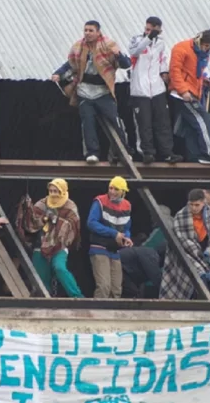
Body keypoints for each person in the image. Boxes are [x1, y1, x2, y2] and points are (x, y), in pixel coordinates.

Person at [52, 21, 131, 164]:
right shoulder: (79, 47)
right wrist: (58, 73)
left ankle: (122, 152)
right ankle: (92, 152)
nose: (87, 33)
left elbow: (126, 64)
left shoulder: (108, 45)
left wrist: (119, 55)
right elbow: (70, 64)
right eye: (85, 30)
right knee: (87, 122)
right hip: (84, 91)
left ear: (98, 32)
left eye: (90, 30)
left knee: (114, 121)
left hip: (103, 91)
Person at [127, 17, 182, 164]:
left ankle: (167, 153)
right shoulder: (137, 39)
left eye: (152, 30)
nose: (148, 32)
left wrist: (164, 72)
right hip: (140, 88)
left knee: (163, 122)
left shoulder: (161, 43)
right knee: (144, 123)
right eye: (147, 29)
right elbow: (134, 52)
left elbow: (162, 59)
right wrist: (148, 38)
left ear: (159, 30)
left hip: (157, 88)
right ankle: (146, 152)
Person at [16, 179, 84, 298]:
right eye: (51, 191)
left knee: (59, 268)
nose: (53, 194)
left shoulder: (70, 205)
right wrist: (42, 218)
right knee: (41, 279)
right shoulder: (42, 204)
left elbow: (73, 226)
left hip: (59, 246)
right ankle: (44, 302)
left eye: (56, 191)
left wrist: (57, 220)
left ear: (62, 191)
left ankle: (77, 296)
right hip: (40, 244)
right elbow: (31, 223)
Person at [160, 189, 210, 300]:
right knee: (198, 278)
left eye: (197, 205)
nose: (194, 208)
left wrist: (209, 252)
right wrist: (198, 255)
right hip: (188, 256)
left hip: (208, 256)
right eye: (191, 204)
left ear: (203, 203)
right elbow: (183, 240)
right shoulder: (181, 216)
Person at [169, 30, 210, 165]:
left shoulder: (203, 55)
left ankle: (194, 155)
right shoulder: (181, 48)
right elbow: (174, 71)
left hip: (194, 92)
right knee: (204, 119)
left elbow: (198, 73)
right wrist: (183, 91)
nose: (205, 48)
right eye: (204, 45)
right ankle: (207, 153)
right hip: (182, 94)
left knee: (190, 126)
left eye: (208, 46)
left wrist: (205, 80)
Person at [87, 176, 132, 298]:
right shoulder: (100, 201)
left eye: (116, 189)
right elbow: (91, 223)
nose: (112, 191)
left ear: (123, 191)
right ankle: (98, 315)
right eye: (110, 188)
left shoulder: (127, 206)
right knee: (104, 287)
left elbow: (127, 227)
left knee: (116, 289)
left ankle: (113, 316)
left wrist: (127, 238)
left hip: (115, 250)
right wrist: (114, 233)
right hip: (99, 247)